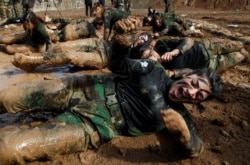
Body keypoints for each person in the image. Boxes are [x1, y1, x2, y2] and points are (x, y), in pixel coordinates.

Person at [0, 35, 223, 163]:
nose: (193, 93)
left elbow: (195, 148)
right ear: (189, 75)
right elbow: (119, 65)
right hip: (81, 89)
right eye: (194, 84)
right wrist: (120, 44)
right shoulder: (154, 69)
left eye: (199, 95)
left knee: (10, 149)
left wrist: (184, 135)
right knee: (7, 98)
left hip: (95, 124)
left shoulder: (179, 116)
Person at [12, 17, 140, 71]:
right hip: (101, 43)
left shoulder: (146, 56)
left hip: (104, 58)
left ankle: (33, 60)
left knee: (70, 56)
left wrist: (126, 39)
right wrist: (119, 30)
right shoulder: (144, 38)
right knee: (61, 47)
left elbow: (122, 63)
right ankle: (35, 63)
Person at [129, 32, 248, 74]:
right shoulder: (160, 71)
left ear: (152, 49)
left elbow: (188, 40)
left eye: (150, 54)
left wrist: (175, 52)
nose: (153, 58)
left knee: (239, 45)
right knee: (241, 56)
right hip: (211, 64)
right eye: (149, 59)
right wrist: (173, 73)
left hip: (208, 46)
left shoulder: (161, 45)